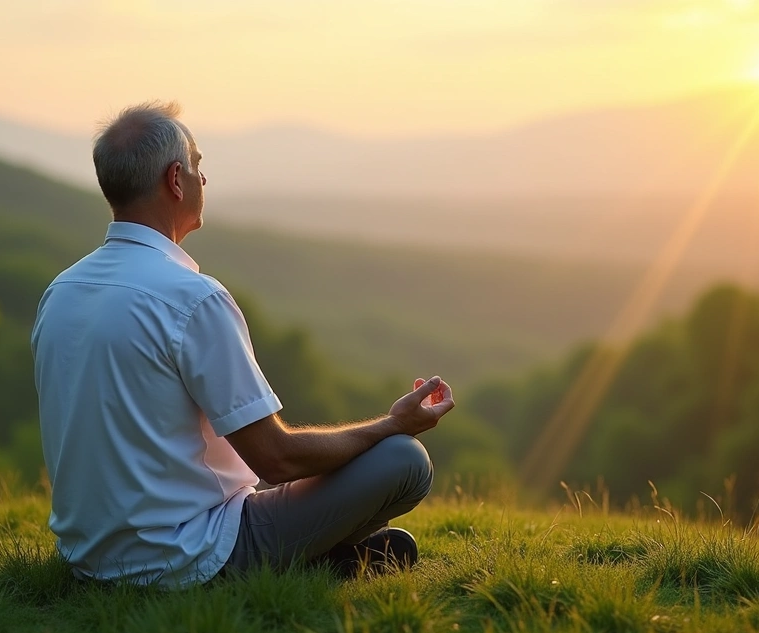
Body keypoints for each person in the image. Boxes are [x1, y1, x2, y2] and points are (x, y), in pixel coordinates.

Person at [31, 101, 455, 588]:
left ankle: (326, 560)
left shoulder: (61, 291)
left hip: (87, 558)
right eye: (198, 167)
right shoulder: (192, 298)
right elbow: (276, 459)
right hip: (190, 556)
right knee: (405, 461)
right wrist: (393, 424)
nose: (203, 181)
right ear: (176, 180)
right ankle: (314, 559)